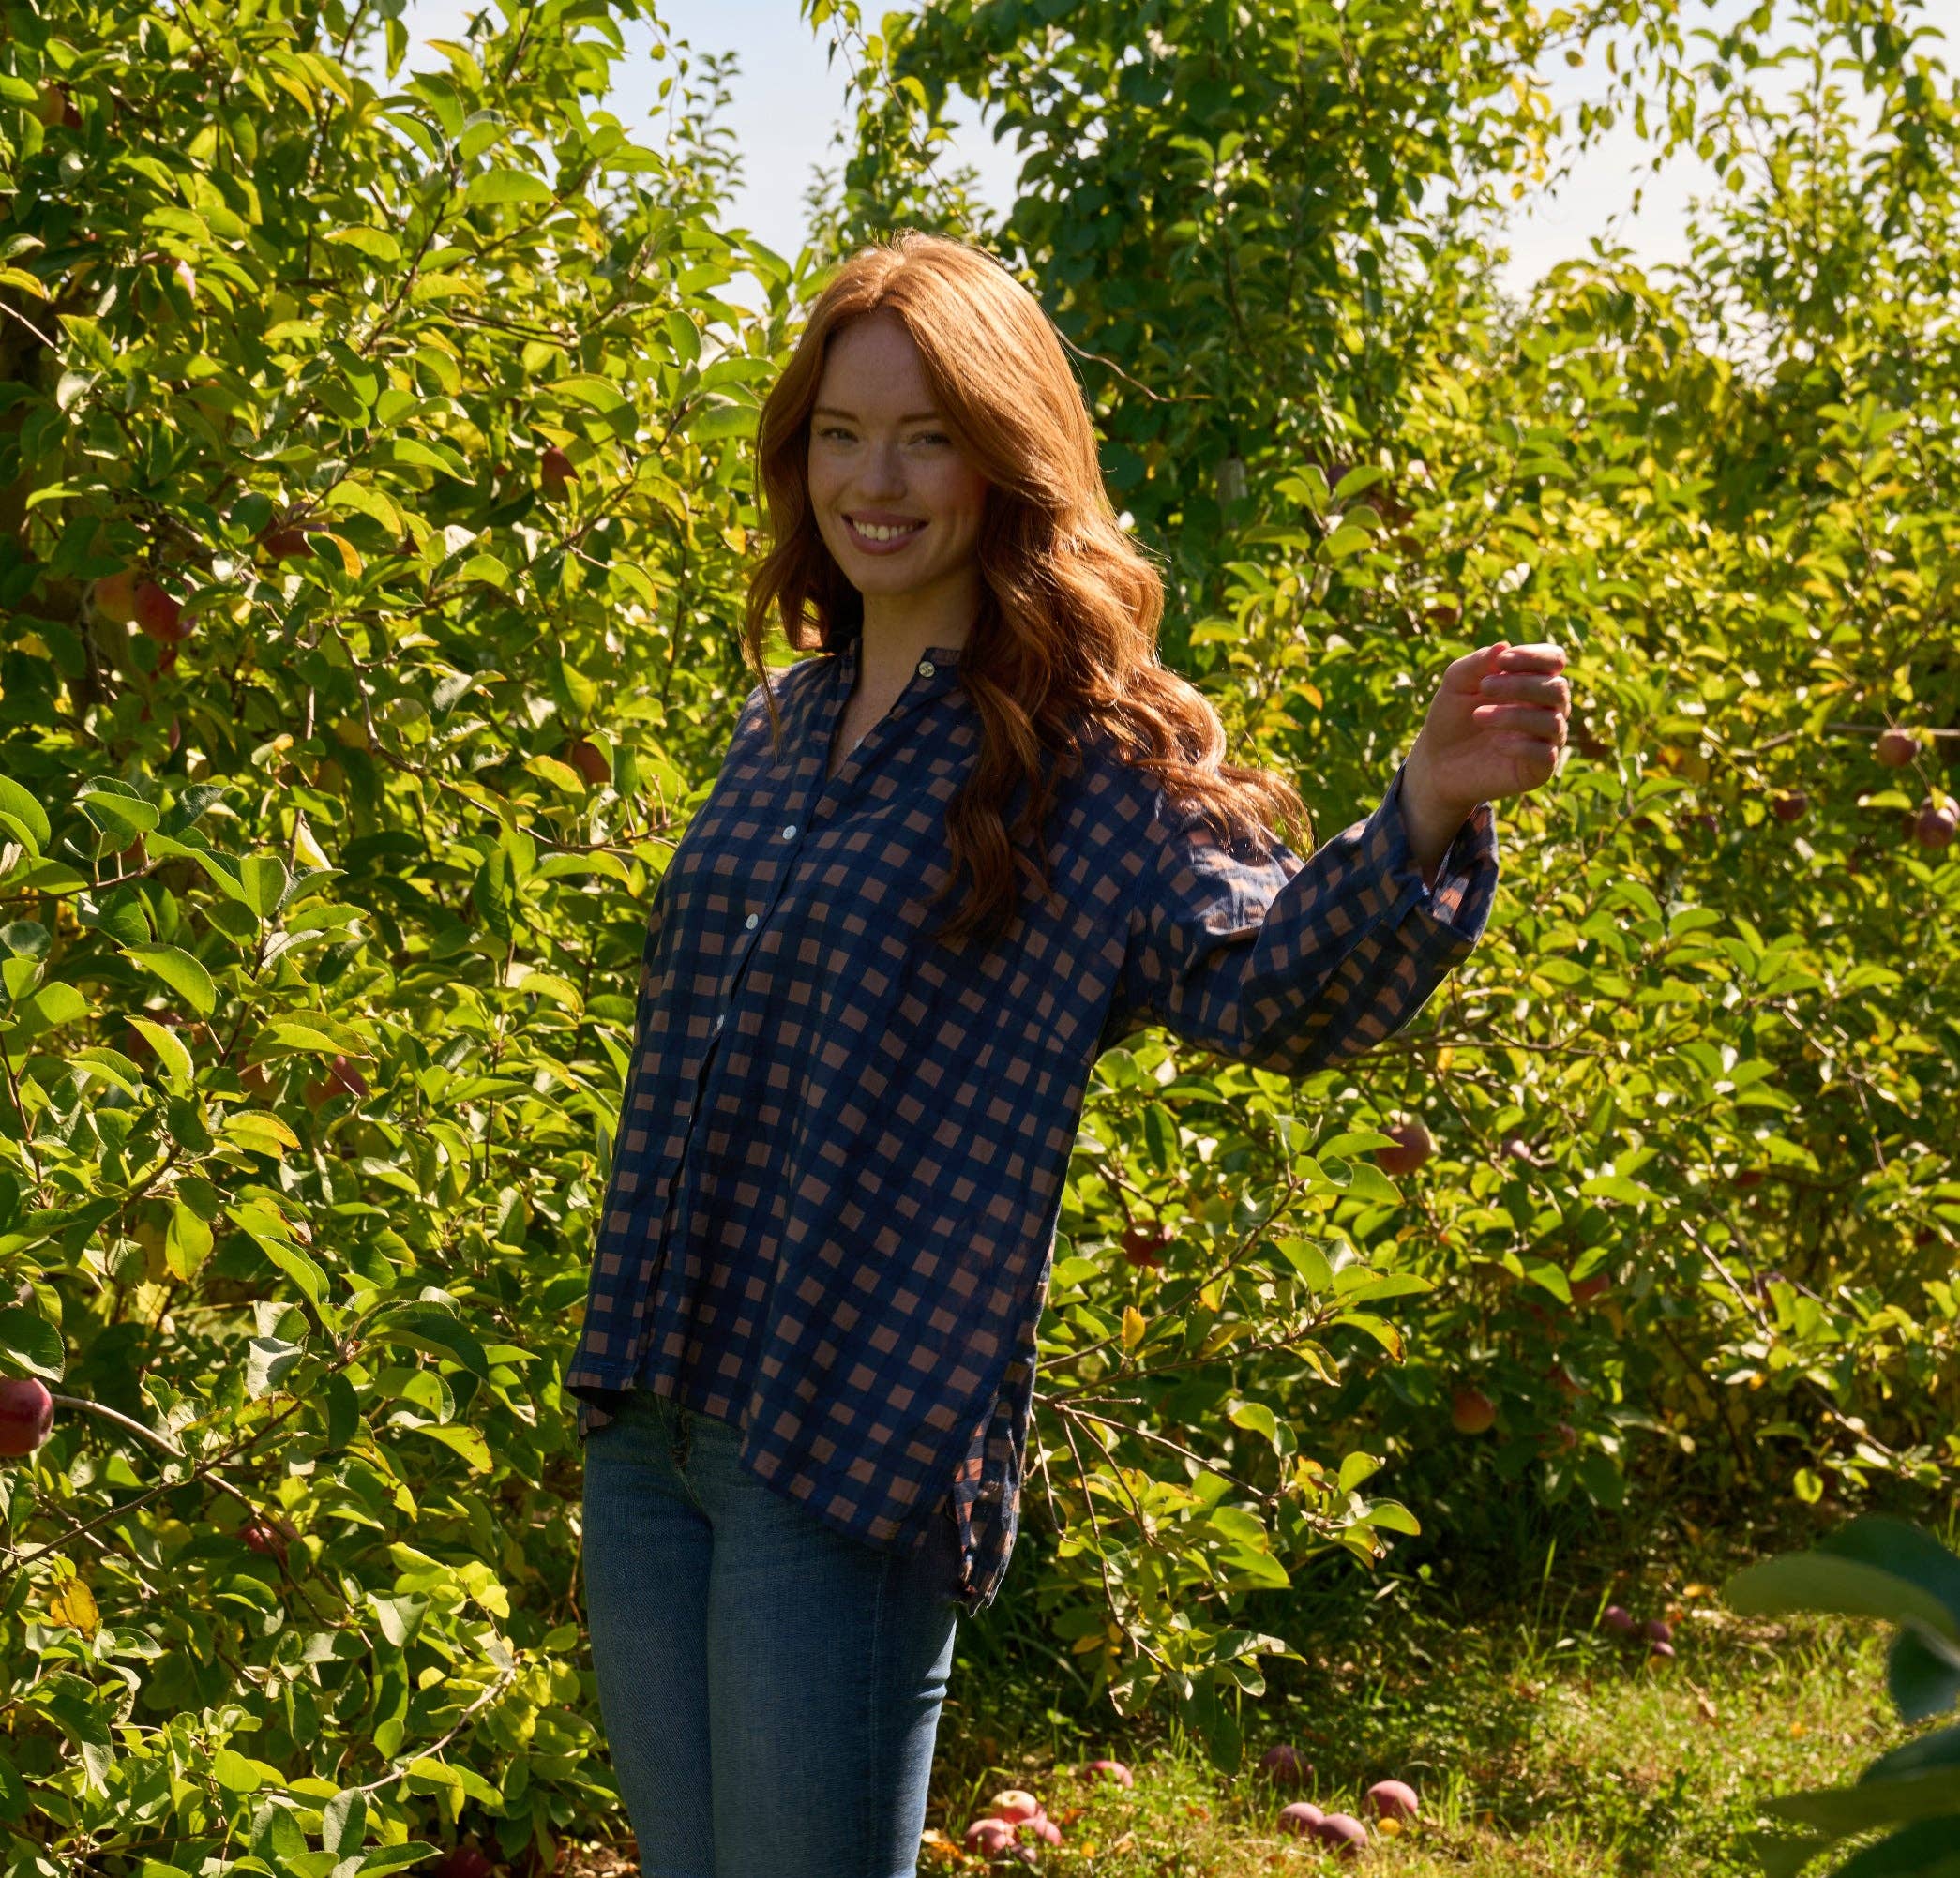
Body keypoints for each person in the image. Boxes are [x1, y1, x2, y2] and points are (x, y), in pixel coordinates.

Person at [568, 232, 1567, 1878]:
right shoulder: (784, 725)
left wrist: (1427, 811)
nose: (871, 480)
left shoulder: (1084, 758)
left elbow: (1265, 987)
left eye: (923, 434)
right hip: (654, 1419)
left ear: (1005, 454)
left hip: (844, 1446)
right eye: (836, 433)